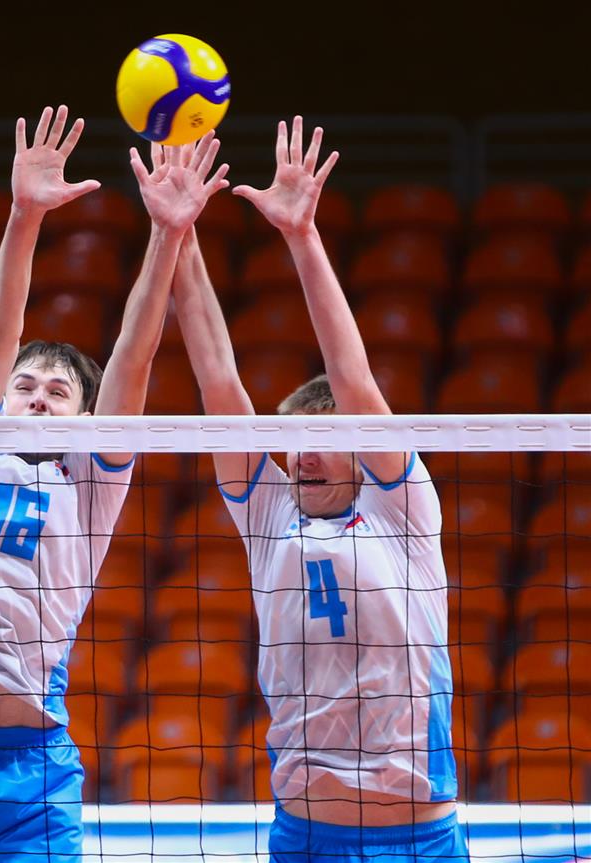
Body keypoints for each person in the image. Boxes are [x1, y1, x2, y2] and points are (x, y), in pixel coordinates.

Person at [0, 105, 228, 862]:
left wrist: (167, 234)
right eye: (25, 387)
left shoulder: (90, 484)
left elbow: (134, 355)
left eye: (58, 392)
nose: (38, 399)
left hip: (35, 765)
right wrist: (25, 215)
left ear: (83, 418)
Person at [169, 117, 468, 861]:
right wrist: (180, 234)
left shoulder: (401, 508)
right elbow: (218, 380)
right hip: (306, 835)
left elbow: (355, 380)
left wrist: (302, 236)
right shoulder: (268, 512)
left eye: (324, 438)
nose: (302, 455)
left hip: (417, 839)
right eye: (293, 440)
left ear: (362, 453)